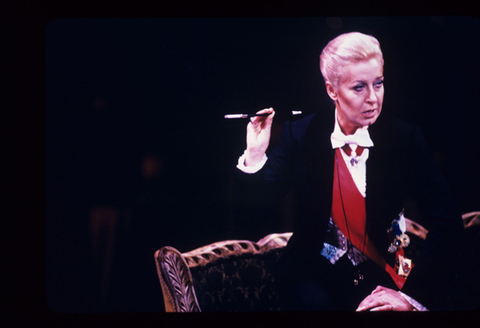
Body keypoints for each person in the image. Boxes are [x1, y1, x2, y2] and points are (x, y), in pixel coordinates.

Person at [233, 32, 463, 311]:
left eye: (378, 84)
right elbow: (257, 208)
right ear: (332, 90)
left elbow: (448, 223)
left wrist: (408, 297)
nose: (373, 99)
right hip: (312, 278)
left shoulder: (405, 138)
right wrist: (256, 154)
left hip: (388, 267)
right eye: (359, 87)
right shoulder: (300, 134)